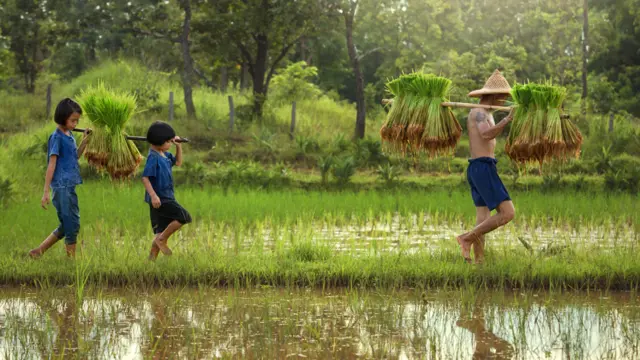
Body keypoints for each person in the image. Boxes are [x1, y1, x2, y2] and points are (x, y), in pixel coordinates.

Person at [456, 70, 516, 264]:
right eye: (503, 98)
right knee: (507, 213)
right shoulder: (479, 113)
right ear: (494, 96)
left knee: (483, 219)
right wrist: (507, 120)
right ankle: (466, 238)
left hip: (478, 167)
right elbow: (486, 135)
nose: (504, 102)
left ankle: (479, 262)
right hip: (483, 167)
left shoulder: (486, 112)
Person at [29, 98, 91, 258]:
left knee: (68, 224)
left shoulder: (69, 134)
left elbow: (74, 157)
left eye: (77, 121)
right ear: (62, 117)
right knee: (71, 224)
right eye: (73, 120)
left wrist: (84, 141)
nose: (75, 124)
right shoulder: (56, 137)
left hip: (70, 185)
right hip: (61, 186)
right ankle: (71, 261)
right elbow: (52, 164)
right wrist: (45, 192)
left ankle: (38, 252)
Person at [142, 121, 191, 261]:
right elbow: (145, 178)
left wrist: (178, 146)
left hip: (167, 196)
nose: (171, 143)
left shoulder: (164, 154)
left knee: (159, 232)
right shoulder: (153, 157)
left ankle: (150, 261)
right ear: (159, 141)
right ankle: (163, 240)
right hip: (161, 199)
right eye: (169, 141)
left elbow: (178, 162)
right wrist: (153, 196)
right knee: (184, 217)